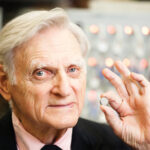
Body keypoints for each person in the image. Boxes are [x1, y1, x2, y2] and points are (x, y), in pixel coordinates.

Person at [0, 8, 149, 150]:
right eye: (41, 73)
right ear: (5, 83)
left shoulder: (118, 144)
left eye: (72, 70)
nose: (64, 90)